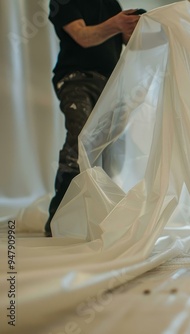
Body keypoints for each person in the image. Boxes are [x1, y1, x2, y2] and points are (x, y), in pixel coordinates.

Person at [45, 0, 142, 237]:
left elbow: (130, 42)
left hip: (110, 85)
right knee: (80, 141)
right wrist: (117, 22)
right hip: (75, 79)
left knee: (105, 148)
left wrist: (143, 25)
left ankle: (97, 211)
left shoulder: (111, 4)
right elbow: (84, 36)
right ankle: (59, 213)